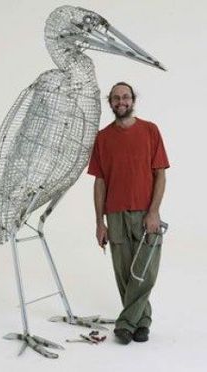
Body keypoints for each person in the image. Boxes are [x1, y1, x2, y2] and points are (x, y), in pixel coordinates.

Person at [88, 82, 170, 344]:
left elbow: (160, 174)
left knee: (145, 271)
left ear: (133, 100)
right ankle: (142, 322)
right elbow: (99, 182)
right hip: (115, 213)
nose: (121, 101)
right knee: (124, 273)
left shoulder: (150, 130)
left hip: (145, 213)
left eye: (125, 97)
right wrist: (99, 222)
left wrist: (154, 212)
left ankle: (125, 324)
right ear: (110, 102)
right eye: (115, 98)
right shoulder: (102, 138)